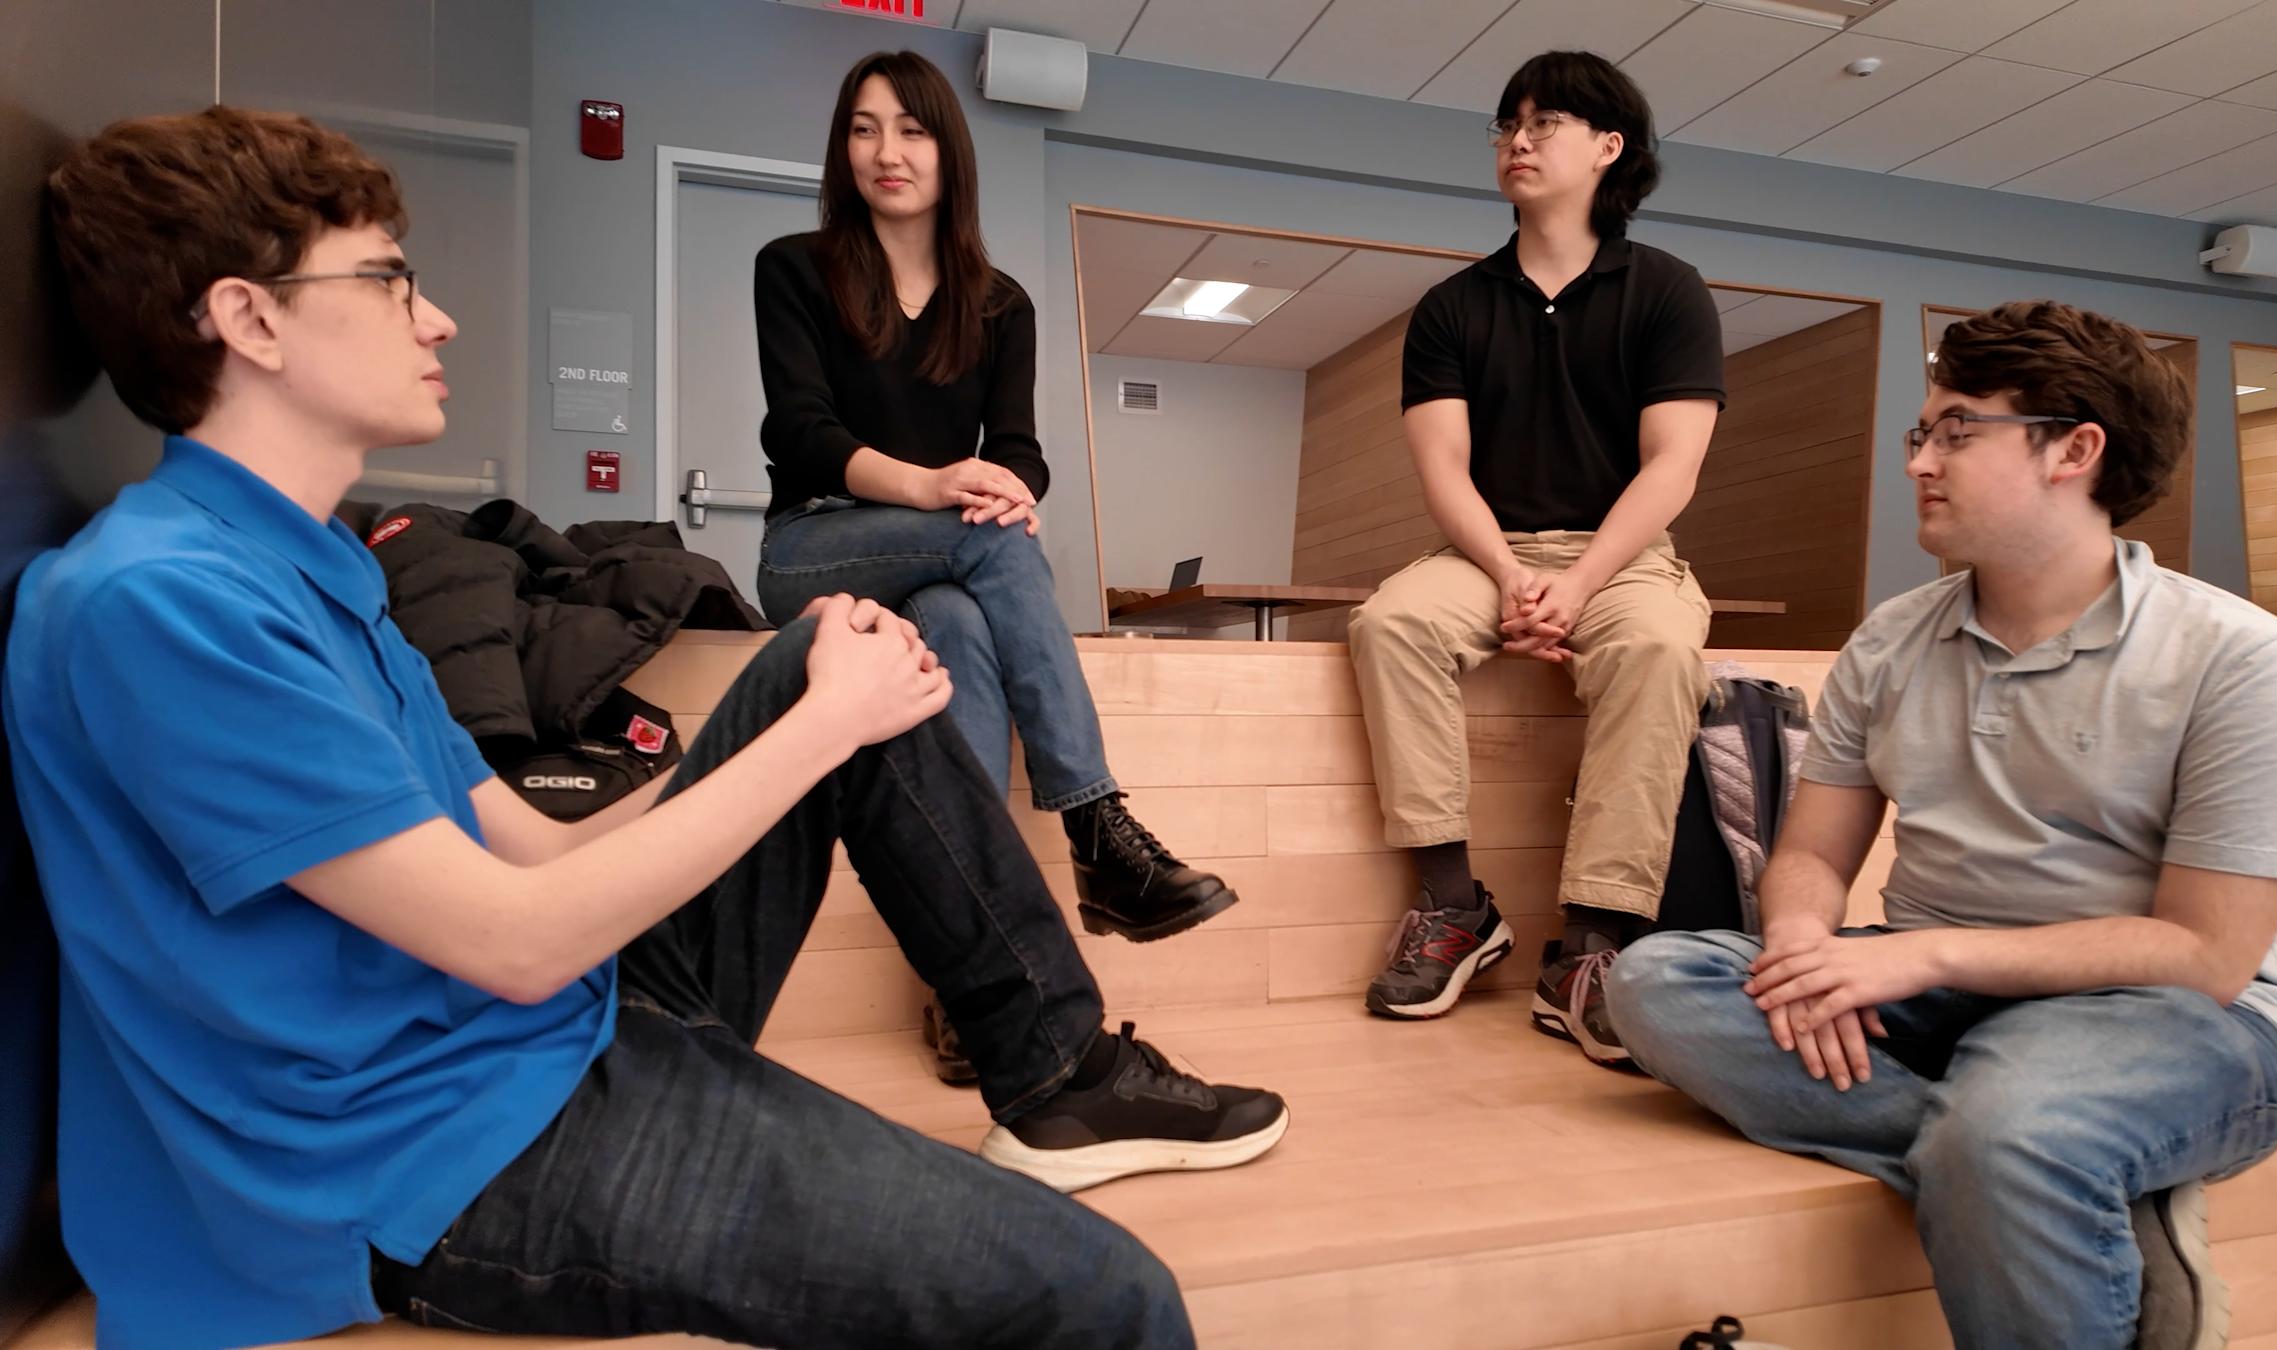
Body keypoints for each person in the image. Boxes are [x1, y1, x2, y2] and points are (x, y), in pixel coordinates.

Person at [13, 105, 1287, 1350]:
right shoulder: (159, 604)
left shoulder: (319, 571)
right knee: (1109, 1301)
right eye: (393, 281)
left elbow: (526, 849)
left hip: (543, 1030)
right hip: (425, 1162)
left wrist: (770, 731)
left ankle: (1057, 1076)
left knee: (817, 652)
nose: (438, 317)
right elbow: (511, 941)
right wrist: (815, 738)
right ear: (247, 317)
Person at [1609, 300, 2277, 1350]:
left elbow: (2208, 956)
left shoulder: (2240, 658)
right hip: (1940, 995)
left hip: (2176, 1016)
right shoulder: (1892, 640)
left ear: (2075, 451)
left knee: (2007, 1132)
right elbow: (1814, 851)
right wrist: (1802, 943)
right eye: (1923, 434)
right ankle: (2068, 1178)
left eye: (1957, 431)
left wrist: (1923, 959)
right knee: (1657, 983)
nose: (1920, 462)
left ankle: (2025, 1149)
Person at [752, 52, 1235, 1011]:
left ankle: (971, 984)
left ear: (948, 149)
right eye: (863, 127)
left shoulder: (1001, 301)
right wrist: (938, 488)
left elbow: (1019, 448)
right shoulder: (794, 268)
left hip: (944, 559)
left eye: (912, 129)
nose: (886, 151)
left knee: (961, 624)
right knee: (993, 546)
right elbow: (799, 434)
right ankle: (1098, 830)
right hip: (815, 545)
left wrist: (1009, 490)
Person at [1346, 50, 1724, 1057]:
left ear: (1610, 148)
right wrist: (1515, 579)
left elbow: (1672, 467)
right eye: (1508, 123)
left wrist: (1581, 582)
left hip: (1625, 555)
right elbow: (1444, 474)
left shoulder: (1669, 292)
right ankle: (1454, 905)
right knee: (1391, 624)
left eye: (1545, 121)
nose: (1518, 138)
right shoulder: (1452, 308)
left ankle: (1590, 945)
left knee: (1657, 651)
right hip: (1484, 548)